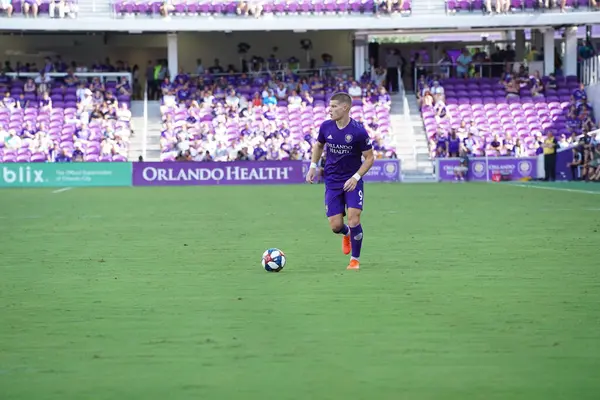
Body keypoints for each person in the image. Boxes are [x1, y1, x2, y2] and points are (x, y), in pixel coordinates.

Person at [305, 93, 375, 271]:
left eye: (334, 106)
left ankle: (355, 260)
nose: (330, 109)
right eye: (330, 106)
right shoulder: (326, 127)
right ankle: (346, 234)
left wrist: (356, 177)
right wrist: (313, 166)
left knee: (353, 218)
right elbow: (319, 145)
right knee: (336, 226)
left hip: (352, 181)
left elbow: (369, 158)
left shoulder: (358, 131)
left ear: (345, 108)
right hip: (332, 181)